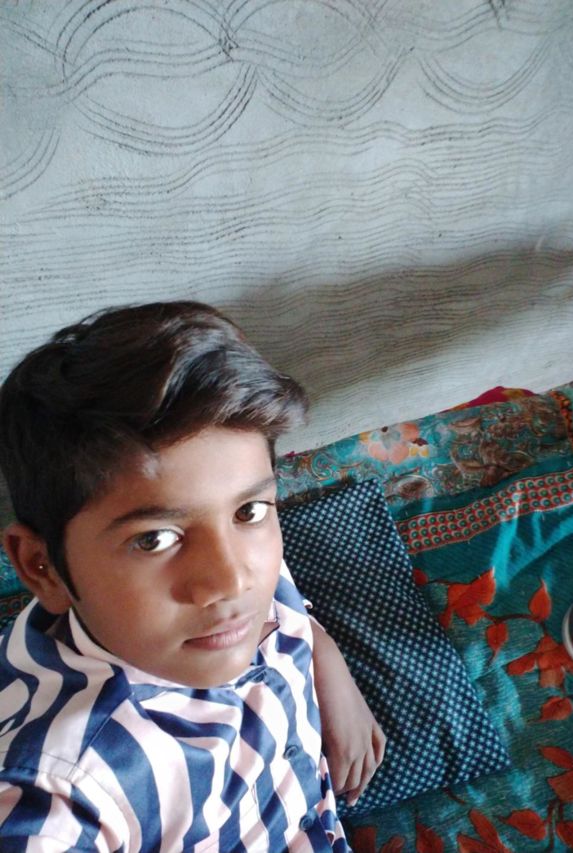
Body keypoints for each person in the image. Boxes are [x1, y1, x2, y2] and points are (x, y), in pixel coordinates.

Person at [0, 301, 385, 851]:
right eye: (155, 540)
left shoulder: (236, 566)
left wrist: (325, 658)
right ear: (44, 568)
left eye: (249, 511)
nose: (231, 580)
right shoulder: (65, 789)